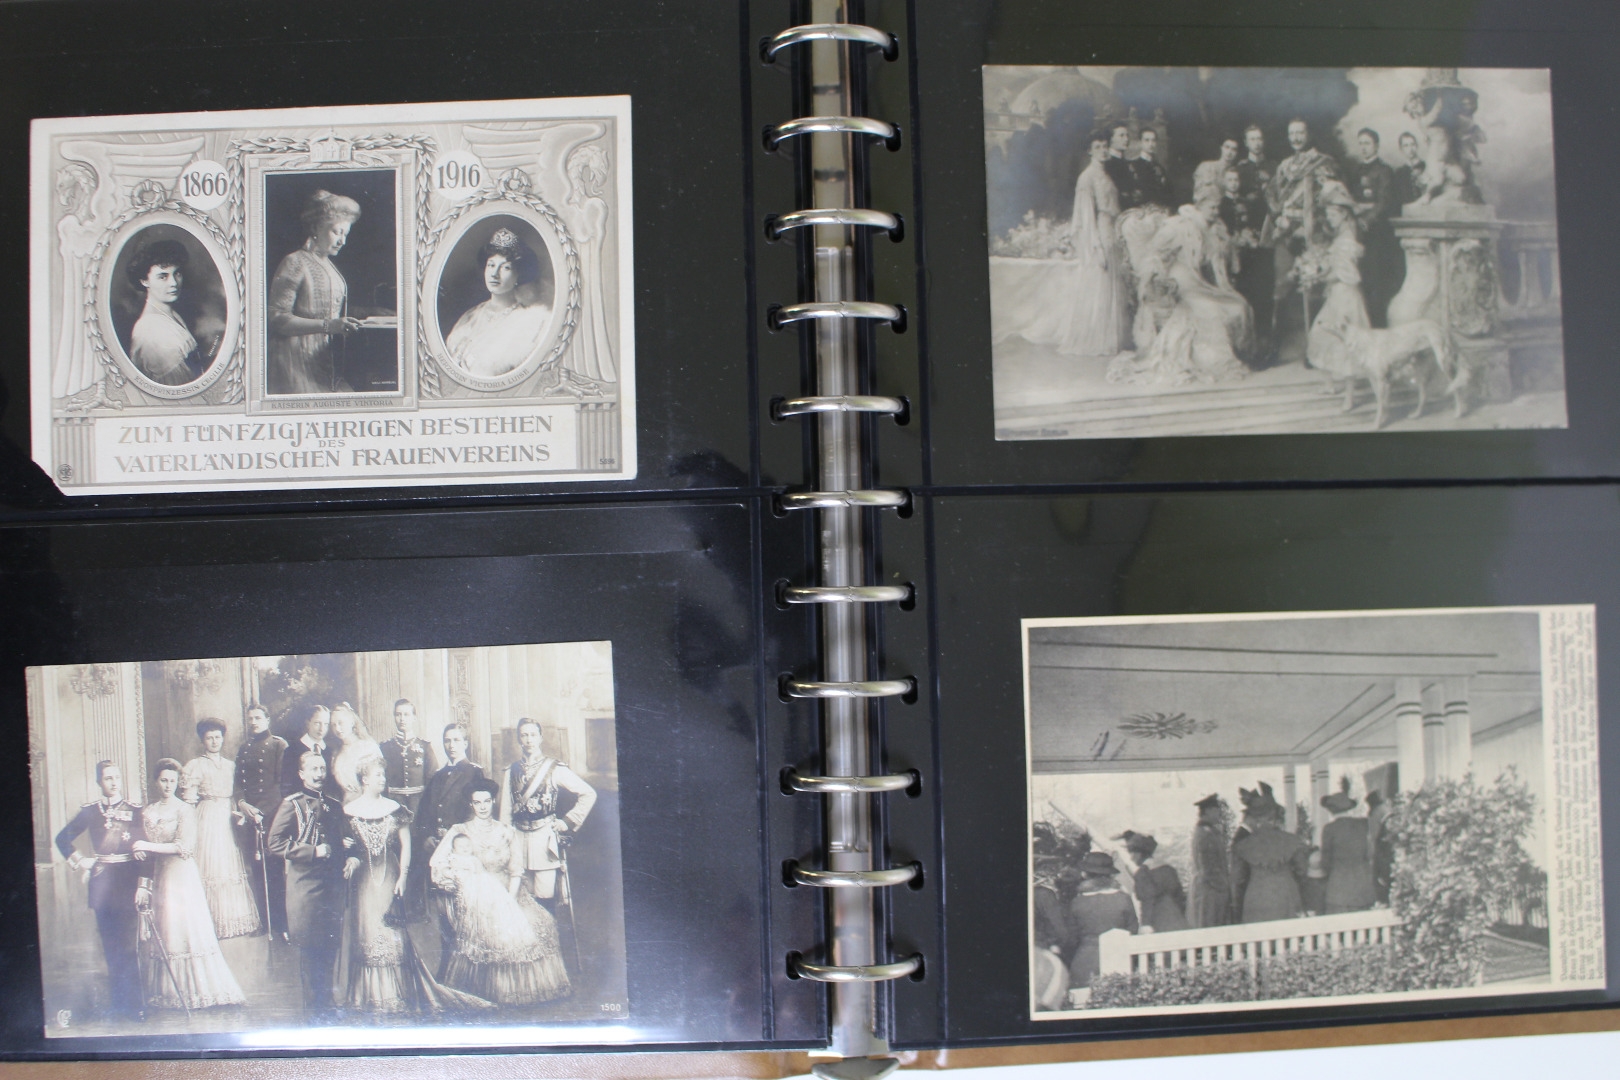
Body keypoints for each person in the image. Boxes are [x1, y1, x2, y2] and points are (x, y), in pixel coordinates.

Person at [339, 755, 490, 1013]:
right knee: (366, 932)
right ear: (364, 779)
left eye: (383, 774)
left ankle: (396, 994)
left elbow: (406, 845)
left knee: (392, 933)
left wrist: (403, 877)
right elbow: (347, 845)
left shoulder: (394, 808)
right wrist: (349, 854)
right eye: (378, 775)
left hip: (390, 876)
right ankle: (369, 996)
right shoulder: (349, 811)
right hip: (363, 881)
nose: (383, 779)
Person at [430, 778, 572, 1005]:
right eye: (477, 803)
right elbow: (438, 863)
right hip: (475, 895)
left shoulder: (506, 831)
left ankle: (518, 991)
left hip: (508, 892)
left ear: (493, 801)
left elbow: (516, 870)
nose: (483, 807)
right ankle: (487, 989)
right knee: (491, 930)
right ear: (471, 804)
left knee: (538, 923)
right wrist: (459, 881)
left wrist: (510, 900)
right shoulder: (459, 831)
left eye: (486, 801)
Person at [132, 759, 247, 1011]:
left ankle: (195, 992)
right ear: (156, 781)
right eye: (163, 780)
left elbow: (184, 847)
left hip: (181, 876)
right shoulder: (147, 812)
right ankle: (167, 993)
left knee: (183, 930)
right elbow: (143, 846)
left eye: (172, 781)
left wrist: (147, 846)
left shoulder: (185, 810)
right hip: (159, 876)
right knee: (166, 929)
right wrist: (141, 851)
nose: (168, 785)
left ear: (178, 783)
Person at [1107, 194, 1253, 386]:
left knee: (1238, 304)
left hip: (1198, 281)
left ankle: (1238, 355)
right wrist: (1158, 276)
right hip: (1178, 281)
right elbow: (1155, 253)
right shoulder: (1179, 226)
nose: (1215, 212)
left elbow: (1214, 261)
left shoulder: (1214, 229)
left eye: (1217, 207)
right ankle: (1212, 361)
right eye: (1211, 207)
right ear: (1199, 206)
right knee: (1210, 310)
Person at [268, 751, 358, 1022]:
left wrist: (352, 855)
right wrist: (312, 851)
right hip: (306, 888)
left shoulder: (334, 804)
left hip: (332, 888)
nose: (319, 774)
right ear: (302, 774)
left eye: (322, 769)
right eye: (313, 769)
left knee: (329, 949)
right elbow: (274, 843)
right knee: (310, 951)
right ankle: (314, 1013)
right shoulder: (292, 804)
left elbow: (347, 838)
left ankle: (327, 1006)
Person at [54, 760, 147, 1019]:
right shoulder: (90, 812)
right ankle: (118, 1006)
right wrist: (80, 860)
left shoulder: (135, 811)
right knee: (111, 948)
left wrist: (144, 885)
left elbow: (144, 852)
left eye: (117, 777)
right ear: (99, 782)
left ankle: (135, 1007)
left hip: (127, 884)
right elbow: (62, 839)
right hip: (102, 885)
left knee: (128, 948)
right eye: (108, 778)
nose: (114, 782)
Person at [267, 189, 364, 394]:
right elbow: (277, 319)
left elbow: (330, 308)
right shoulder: (295, 261)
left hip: (322, 359)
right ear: (316, 227)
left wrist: (371, 312)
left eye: (345, 234)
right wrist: (329, 326)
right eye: (337, 232)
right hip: (293, 361)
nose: (342, 241)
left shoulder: (329, 265)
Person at [499, 718, 598, 912]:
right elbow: (505, 812)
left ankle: (549, 932)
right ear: (519, 739)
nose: (529, 740)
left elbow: (588, 793)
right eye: (524, 735)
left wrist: (567, 822)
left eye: (533, 735)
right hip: (518, 839)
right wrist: (505, 844)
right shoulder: (511, 771)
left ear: (540, 738)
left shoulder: (554, 768)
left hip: (544, 840)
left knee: (544, 898)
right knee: (522, 899)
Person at [1265, 118, 1341, 358]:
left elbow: (1330, 196)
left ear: (1308, 135)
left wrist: (1315, 223)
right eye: (1292, 134)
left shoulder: (1322, 163)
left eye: (1300, 133)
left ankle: (1316, 350)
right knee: (1281, 287)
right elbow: (1271, 194)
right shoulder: (1285, 166)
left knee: (1313, 288)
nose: (1296, 138)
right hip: (1287, 234)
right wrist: (1278, 216)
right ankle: (1275, 348)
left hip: (1312, 233)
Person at [181, 718, 261, 939]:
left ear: (223, 739)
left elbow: (237, 794)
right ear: (203, 741)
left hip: (228, 814)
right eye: (209, 738)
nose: (214, 741)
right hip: (207, 817)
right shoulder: (196, 765)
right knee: (211, 864)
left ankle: (232, 920)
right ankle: (209, 923)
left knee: (229, 863)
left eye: (217, 737)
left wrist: (238, 812)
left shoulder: (231, 766)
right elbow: (189, 801)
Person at [445, 227, 552, 379]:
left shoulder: (529, 324)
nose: (495, 274)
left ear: (518, 276)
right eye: (491, 265)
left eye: (505, 268)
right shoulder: (471, 315)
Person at [415, 722, 485, 954]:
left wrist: (455, 839)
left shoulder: (474, 772)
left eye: (456, 740)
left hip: (461, 850)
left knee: (463, 908)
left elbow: (477, 812)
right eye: (447, 740)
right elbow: (424, 812)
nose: (451, 745)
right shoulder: (437, 776)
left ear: (465, 743)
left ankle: (464, 961)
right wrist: (426, 836)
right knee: (443, 909)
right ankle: (448, 961)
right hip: (437, 850)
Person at [1063, 134, 1127, 356]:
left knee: (1112, 281)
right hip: (1099, 231)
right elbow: (1086, 216)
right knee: (1100, 280)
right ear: (1089, 151)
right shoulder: (1086, 177)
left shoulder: (1106, 175)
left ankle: (1111, 338)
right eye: (1097, 147)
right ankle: (1096, 339)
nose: (1103, 150)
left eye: (1105, 146)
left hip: (1112, 230)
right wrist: (1095, 245)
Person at [1305, 182, 1372, 390]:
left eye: (1333, 215)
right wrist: (1317, 273)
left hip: (1346, 297)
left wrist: (1318, 277)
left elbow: (1348, 275)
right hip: (1336, 295)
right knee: (1321, 334)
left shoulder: (1347, 240)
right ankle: (1329, 385)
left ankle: (1349, 395)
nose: (1330, 219)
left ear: (1343, 215)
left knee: (1344, 342)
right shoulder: (1341, 237)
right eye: (1328, 215)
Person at [564, 142, 618, 384]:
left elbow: (595, 240)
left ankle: (590, 368)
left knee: (586, 308)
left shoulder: (595, 205)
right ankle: (570, 369)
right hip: (573, 267)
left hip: (588, 265)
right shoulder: (572, 206)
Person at [233, 703, 288, 940]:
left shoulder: (278, 745)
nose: (254, 722)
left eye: (258, 718)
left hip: (272, 814)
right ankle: (264, 923)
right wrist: (242, 804)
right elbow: (238, 783)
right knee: (256, 870)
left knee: (275, 870)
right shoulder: (244, 749)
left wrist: (262, 811)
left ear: (267, 720)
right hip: (249, 815)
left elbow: (282, 784)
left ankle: (281, 925)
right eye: (250, 719)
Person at [126, 239, 211, 385]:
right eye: (163, 276)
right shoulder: (151, 330)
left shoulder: (170, 314)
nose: (173, 283)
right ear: (144, 281)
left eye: (177, 273)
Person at [1231, 791, 1310, 923]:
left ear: (1254, 818)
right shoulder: (1291, 840)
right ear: (1274, 817)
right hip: (1287, 894)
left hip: (1256, 898)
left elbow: (1238, 879)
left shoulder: (1243, 845)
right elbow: (1302, 870)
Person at [1348, 128, 1401, 326]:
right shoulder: (1356, 171)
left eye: (1367, 143)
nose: (1363, 148)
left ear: (1376, 146)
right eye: (1361, 143)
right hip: (1357, 232)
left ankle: (1378, 326)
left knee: (1376, 280)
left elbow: (1385, 202)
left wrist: (1367, 219)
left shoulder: (1385, 171)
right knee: (1360, 279)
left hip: (1378, 234)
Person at [1067, 851, 1138, 997]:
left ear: (1085, 875)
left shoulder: (1077, 902)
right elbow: (1133, 930)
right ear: (1110, 875)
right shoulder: (1123, 898)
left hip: (1085, 962)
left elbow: (1072, 938)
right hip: (1119, 958)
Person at [1319, 786, 1377, 913]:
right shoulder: (1364, 824)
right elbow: (1371, 851)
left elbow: (1325, 862)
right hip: (1364, 885)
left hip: (1339, 888)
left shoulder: (1330, 829)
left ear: (1331, 810)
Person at [1119, 831, 1188, 932]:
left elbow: (1147, 902)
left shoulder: (1143, 873)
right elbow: (1180, 897)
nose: (1131, 858)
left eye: (1132, 853)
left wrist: (1145, 924)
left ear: (1139, 854)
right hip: (1178, 918)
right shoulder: (1168, 869)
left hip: (1158, 920)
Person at [380, 698, 435, 817]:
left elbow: (432, 779)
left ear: (414, 718)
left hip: (419, 804)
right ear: (394, 717)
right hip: (393, 803)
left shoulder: (424, 746)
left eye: (406, 714)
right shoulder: (385, 747)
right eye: (398, 714)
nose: (402, 719)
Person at [1188, 794, 1232, 928]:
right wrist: (1224, 887)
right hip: (1211, 892)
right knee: (1212, 927)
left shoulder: (1208, 832)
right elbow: (1208, 868)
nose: (1219, 814)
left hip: (1212, 890)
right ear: (1207, 811)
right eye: (1216, 810)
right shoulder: (1205, 834)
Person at [327, 701, 381, 802]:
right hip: (345, 803)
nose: (337, 728)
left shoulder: (368, 747)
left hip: (368, 802)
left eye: (340, 723)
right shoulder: (336, 753)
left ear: (352, 722)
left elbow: (378, 778)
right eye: (333, 725)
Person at [282, 704, 335, 801]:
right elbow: (287, 786)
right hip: (301, 803)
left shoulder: (329, 751)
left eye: (326, 724)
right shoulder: (293, 750)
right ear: (308, 723)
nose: (322, 729)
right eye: (317, 723)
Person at [1102, 123, 1144, 212]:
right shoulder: (1107, 163)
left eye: (1127, 135)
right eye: (1121, 135)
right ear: (1111, 139)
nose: (1126, 139)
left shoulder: (1126, 162)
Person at [1131, 127, 1172, 211]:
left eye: (1153, 140)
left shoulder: (1159, 167)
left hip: (1159, 209)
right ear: (1140, 142)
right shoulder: (1134, 165)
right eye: (1147, 140)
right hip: (1141, 209)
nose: (1151, 144)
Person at [1366, 789, 1395, 904]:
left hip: (1382, 852)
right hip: (1392, 850)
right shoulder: (1389, 810)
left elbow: (1373, 836)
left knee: (1380, 881)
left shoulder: (1375, 813)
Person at [1193, 137, 1241, 205]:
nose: (1229, 152)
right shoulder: (1207, 167)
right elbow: (1200, 193)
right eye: (1227, 147)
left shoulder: (1236, 172)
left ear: (1237, 153)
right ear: (1221, 148)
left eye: (1234, 149)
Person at [1393, 131, 1426, 207]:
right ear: (1401, 149)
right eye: (1406, 146)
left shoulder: (1426, 167)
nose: (1410, 149)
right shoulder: (1399, 173)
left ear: (1417, 146)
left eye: (1412, 144)